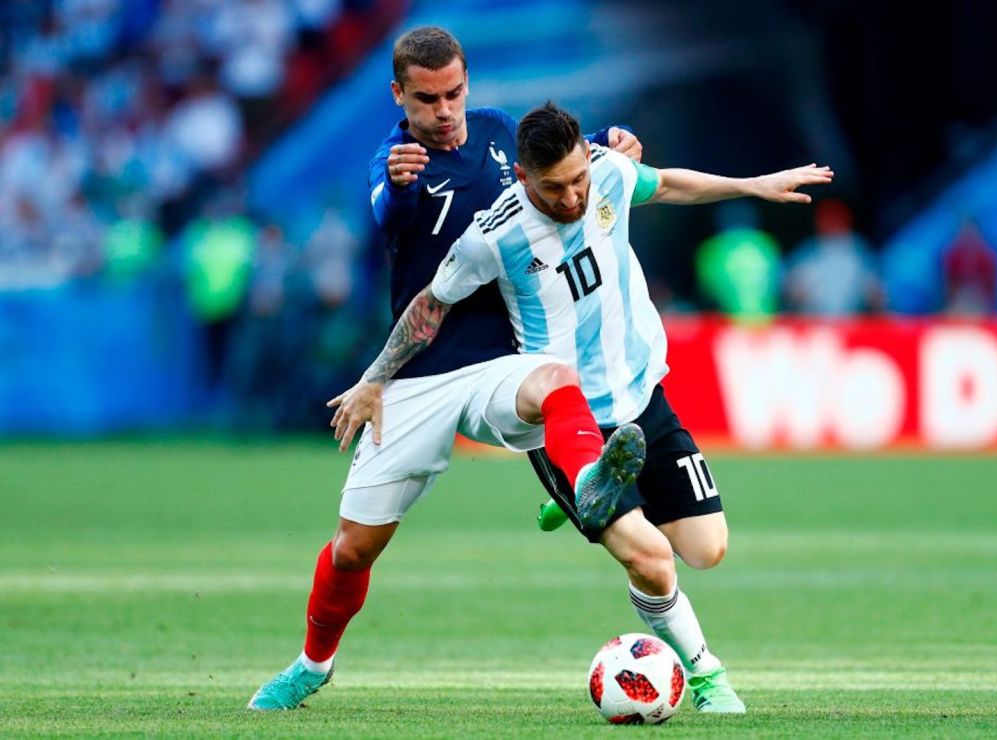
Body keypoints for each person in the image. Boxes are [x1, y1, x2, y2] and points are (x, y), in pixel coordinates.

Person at [329, 102, 833, 713]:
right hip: (571, 423)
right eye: (553, 187)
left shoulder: (608, 172)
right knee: (648, 558)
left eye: (577, 181)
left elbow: (668, 183)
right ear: (520, 176)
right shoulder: (495, 236)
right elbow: (429, 307)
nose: (571, 197)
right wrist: (374, 378)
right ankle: (707, 677)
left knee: (706, 550)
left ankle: (575, 501)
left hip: (644, 400)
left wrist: (753, 185)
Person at [248, 27, 645, 710]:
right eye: (427, 98)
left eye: (454, 93)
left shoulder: (498, 132)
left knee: (557, 382)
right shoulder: (393, 163)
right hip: (421, 372)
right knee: (352, 549)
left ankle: (585, 484)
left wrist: (612, 143)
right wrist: (375, 377)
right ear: (399, 95)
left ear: (468, 85)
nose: (445, 110)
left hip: (504, 360)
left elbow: (556, 158)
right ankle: (314, 664)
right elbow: (389, 214)